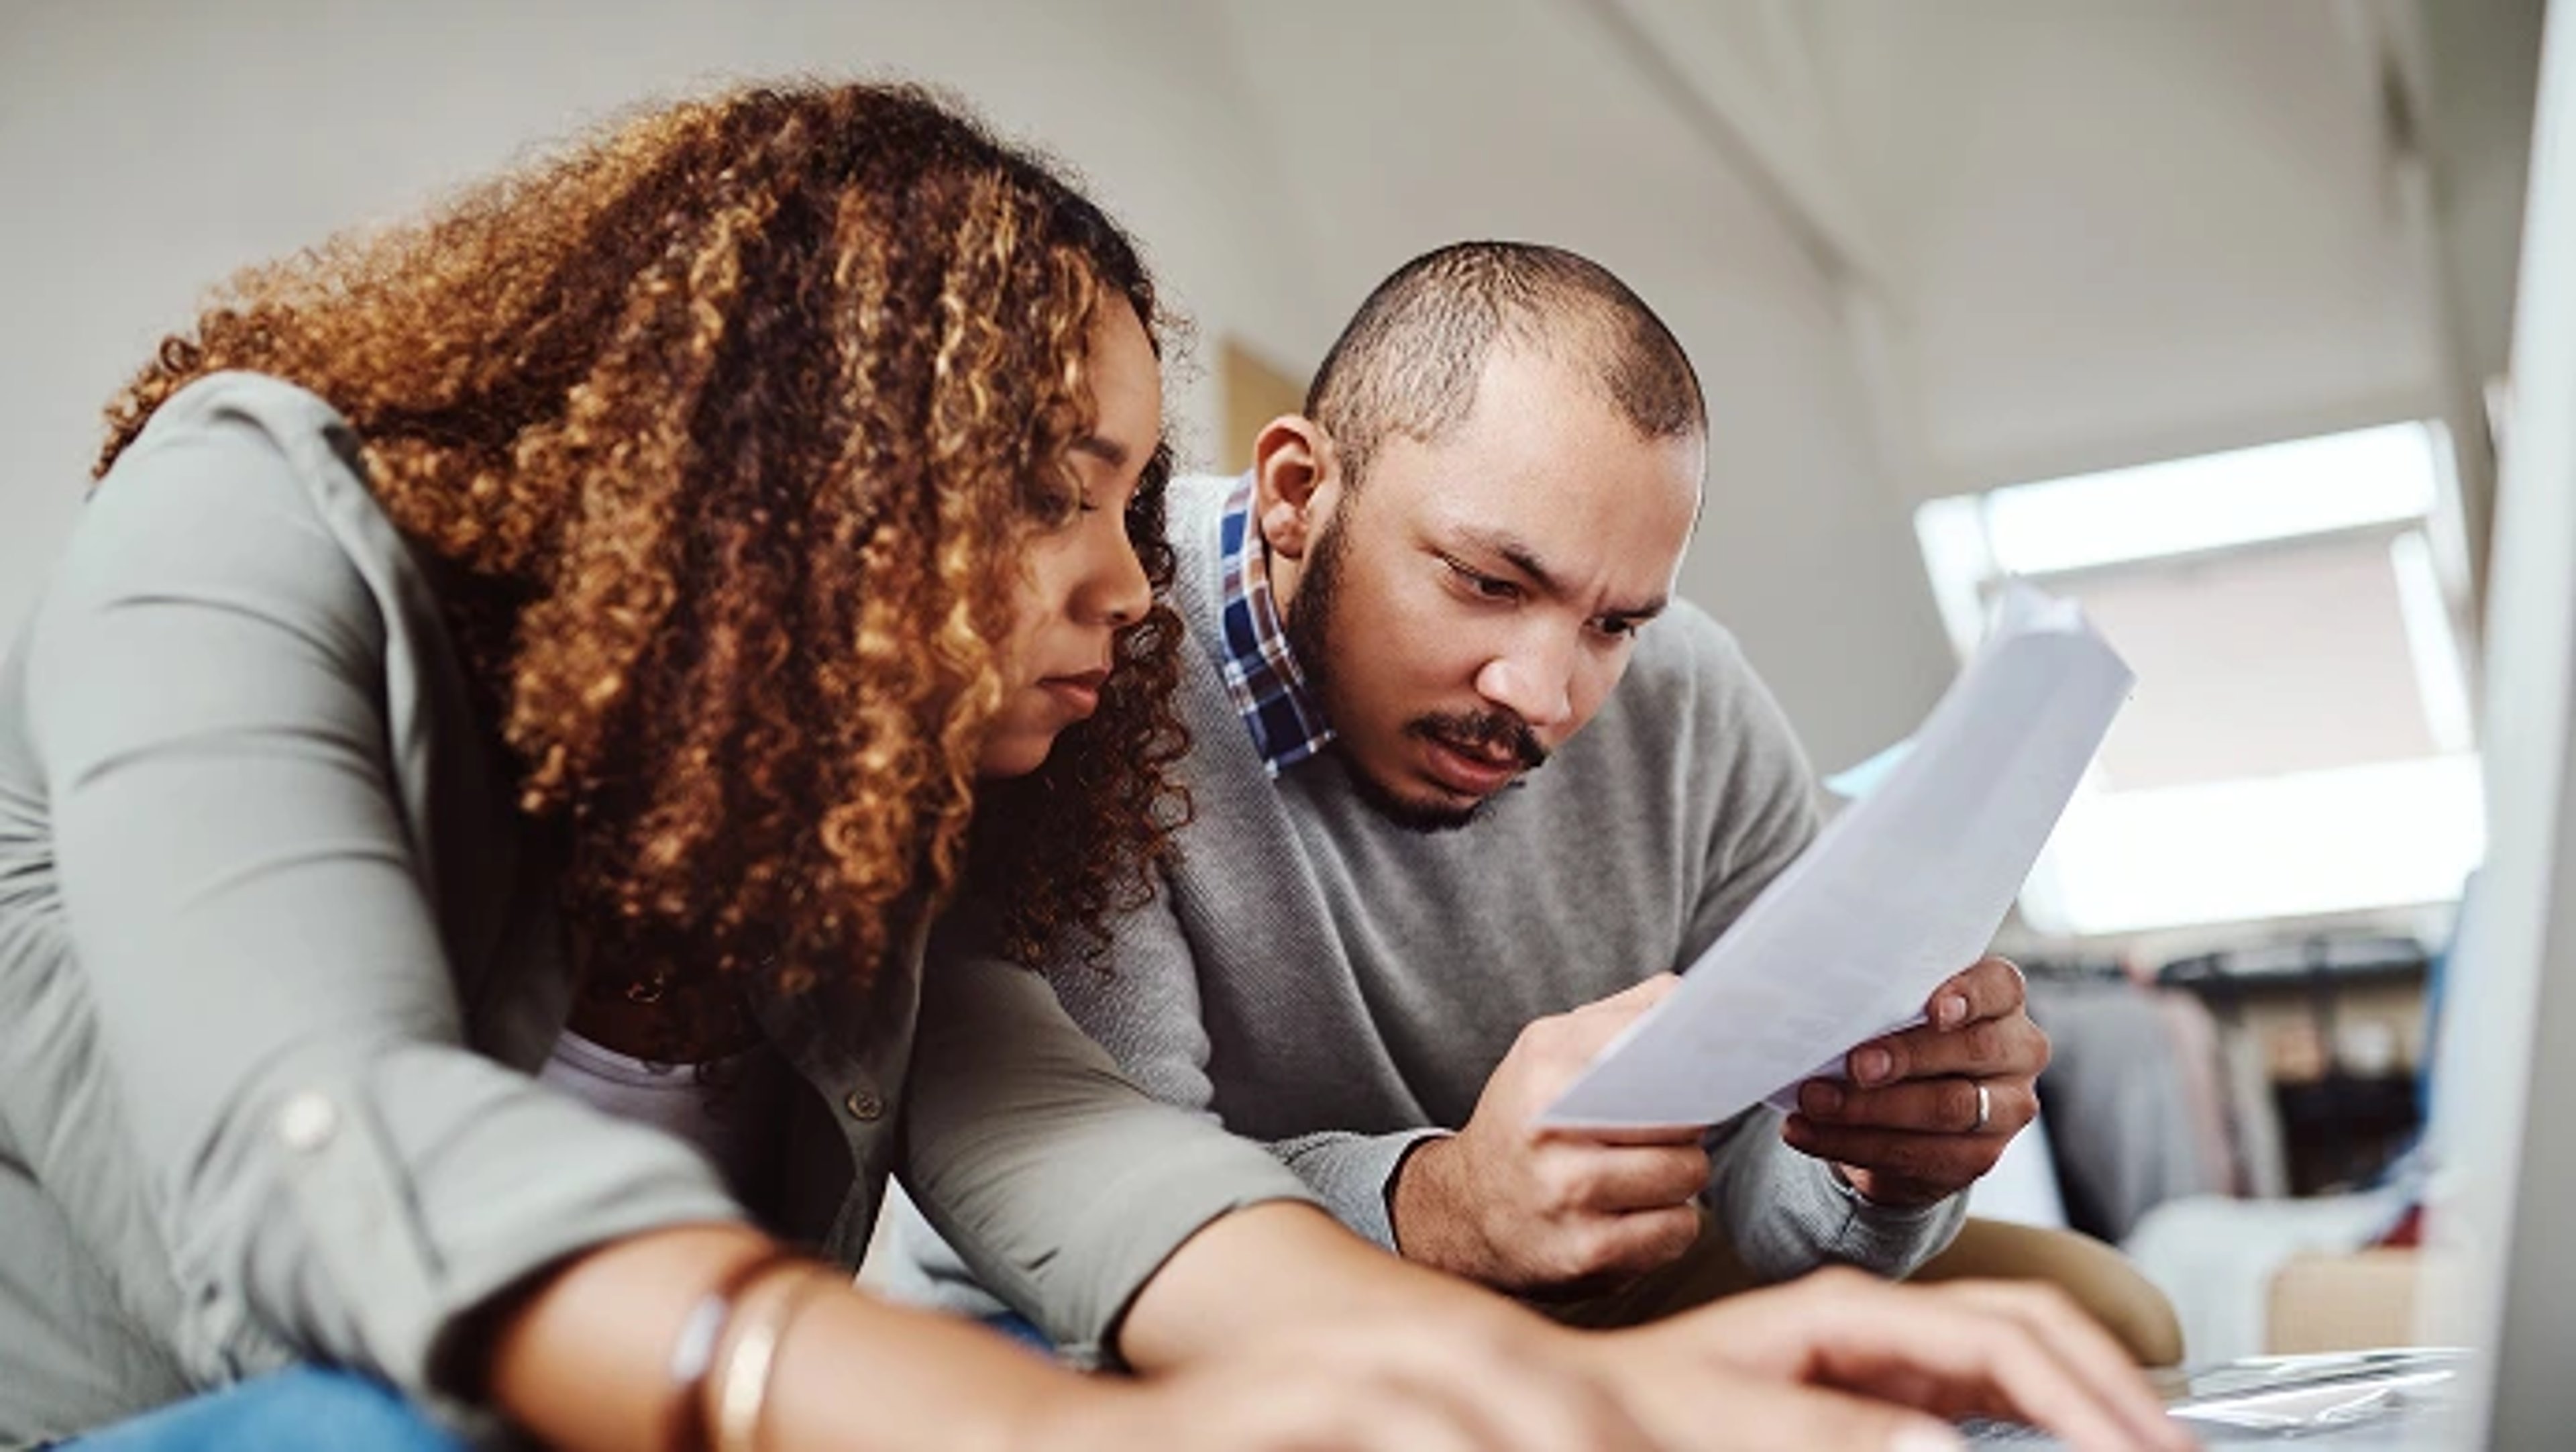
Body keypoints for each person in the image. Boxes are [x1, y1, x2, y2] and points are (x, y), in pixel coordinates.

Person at [0, 84, 2185, 1452]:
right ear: (786, 471)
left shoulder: (856, 841)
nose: (1137, 591)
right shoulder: (247, 520)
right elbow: (333, 1151)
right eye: (1056, 484)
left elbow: (1090, 1155)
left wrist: (1545, 1402)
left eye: (1141, 505)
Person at [884, 241, 2065, 1326]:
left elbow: (1765, 1210)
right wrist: (1445, 1206)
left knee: (2108, 1320)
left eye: (1613, 623)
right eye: (1490, 584)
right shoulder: (1095, 667)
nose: (1543, 695)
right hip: (1113, 1326)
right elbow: (1128, 1195)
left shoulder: (1690, 702)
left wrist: (1874, 1161)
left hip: (1554, 1296)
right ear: (1298, 494)